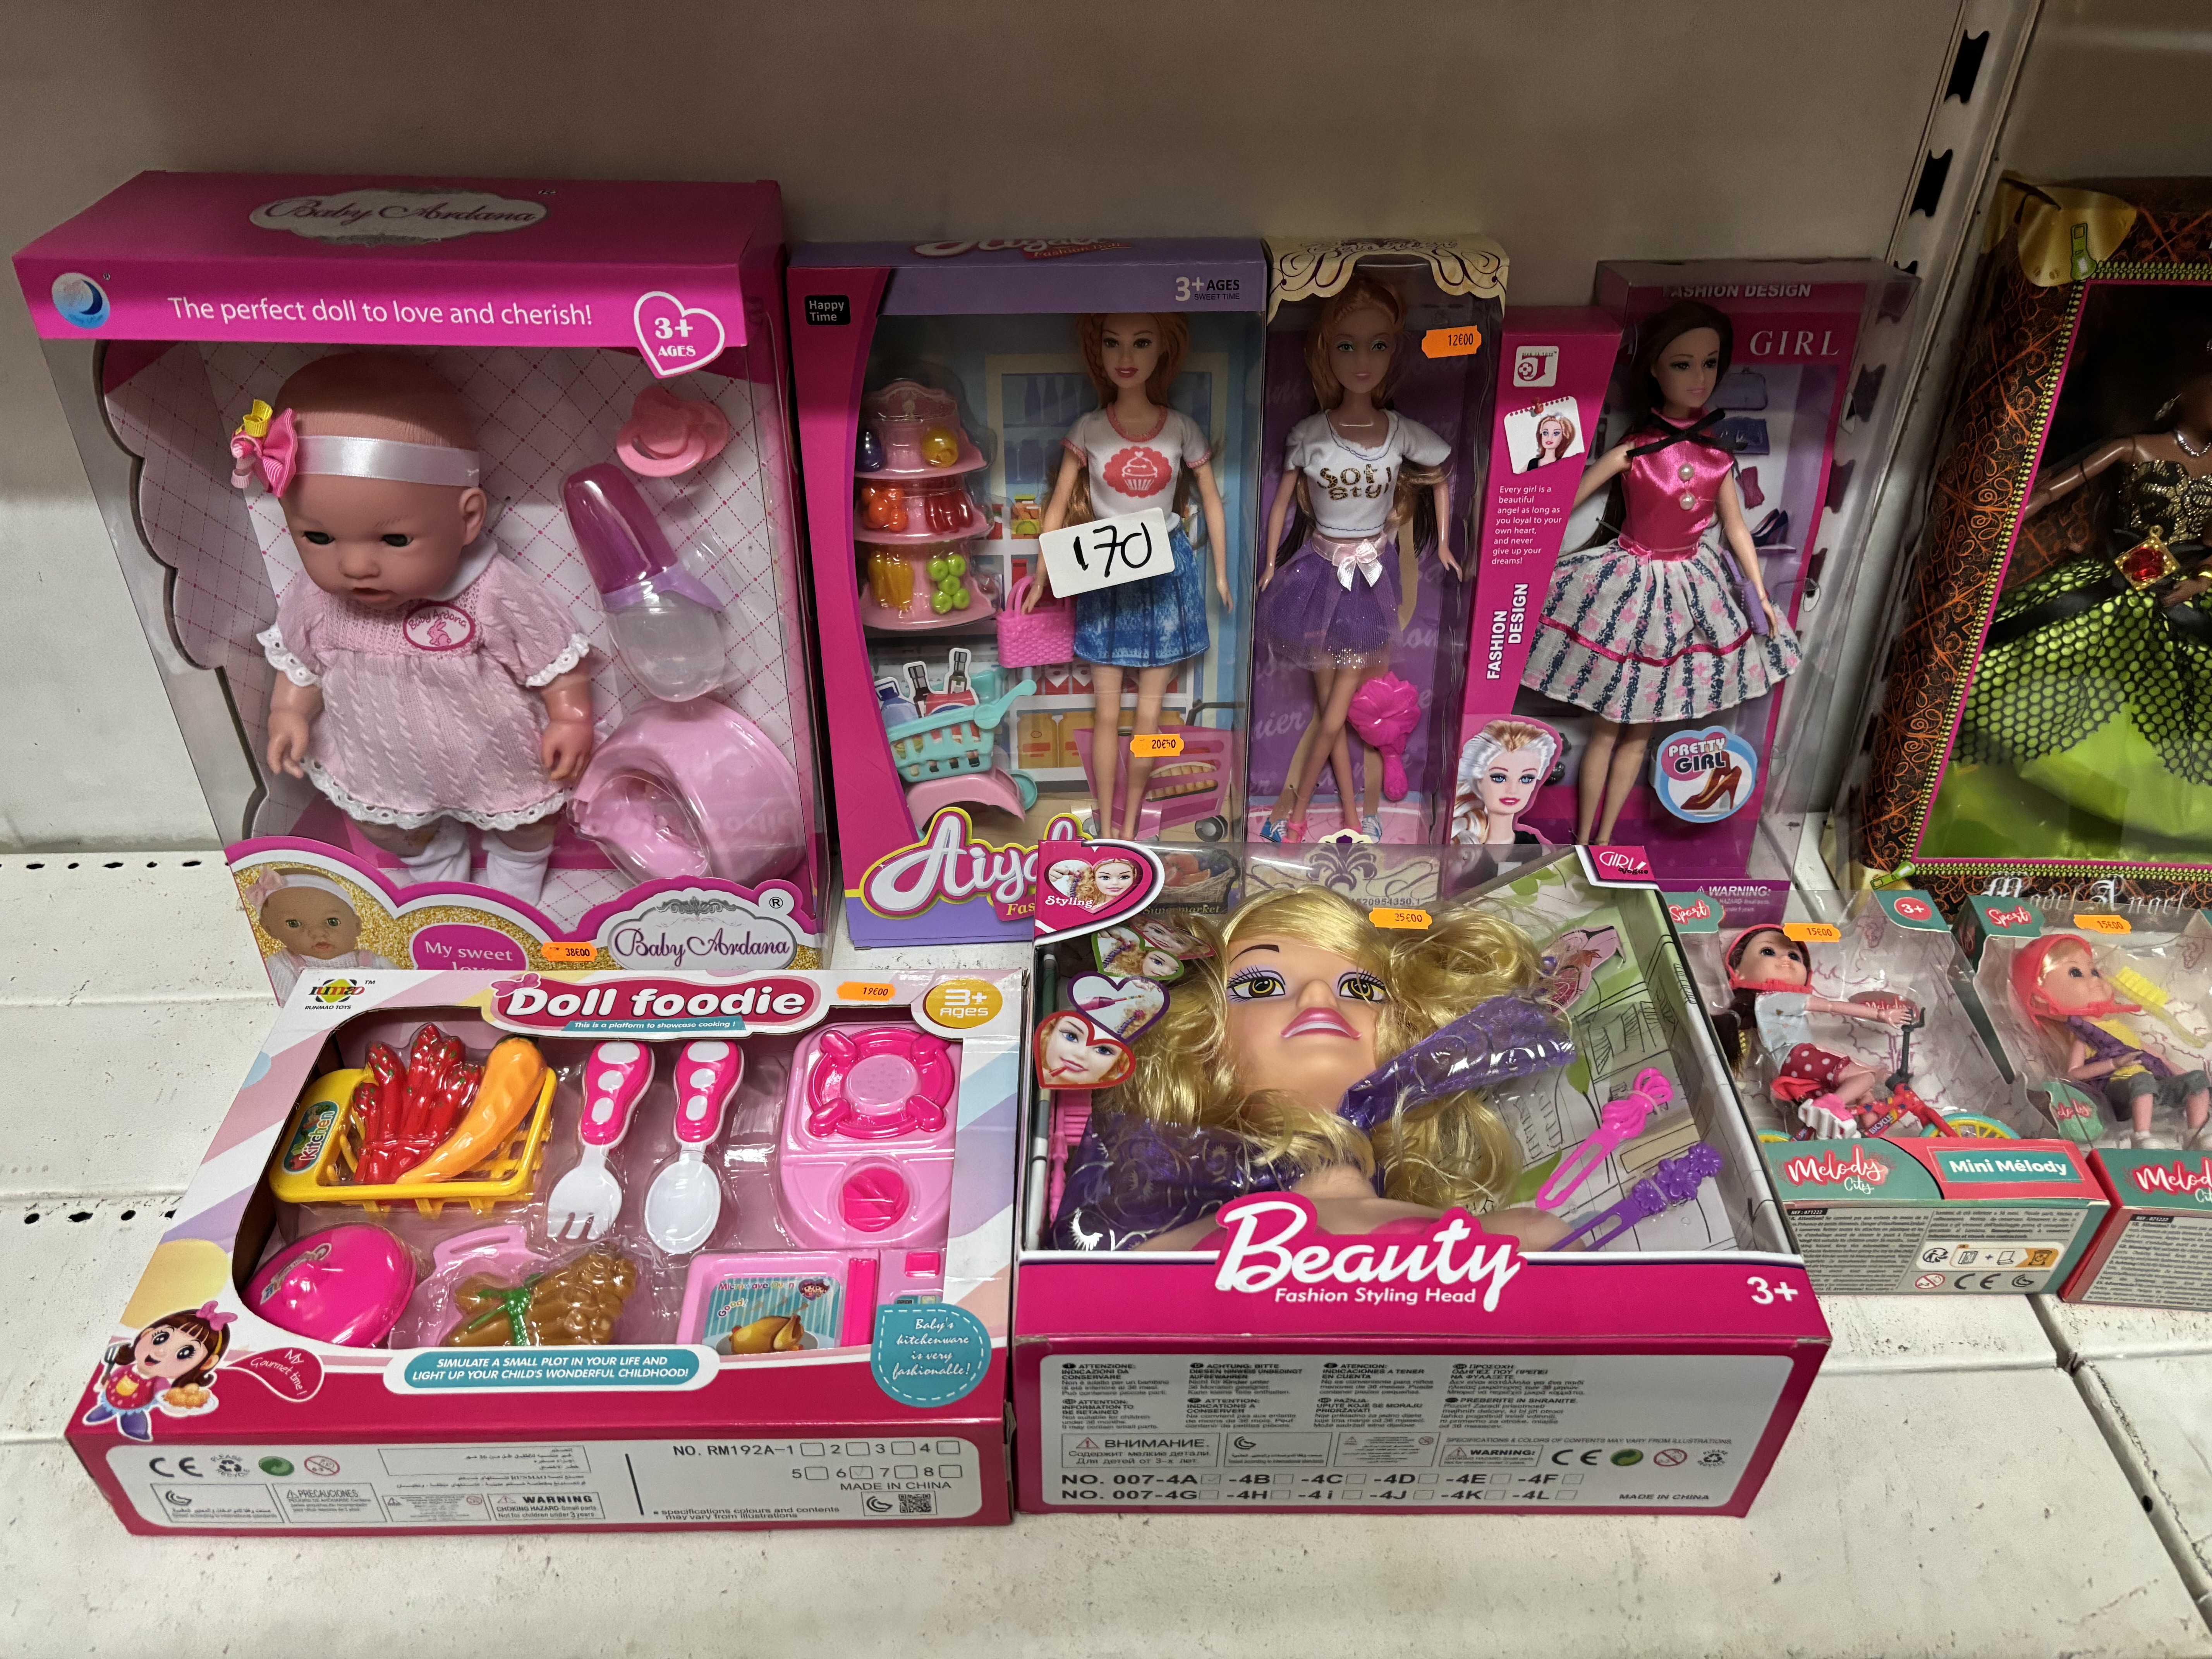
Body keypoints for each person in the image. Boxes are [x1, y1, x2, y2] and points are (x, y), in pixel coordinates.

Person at [238, 353, 594, 904]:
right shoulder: (318, 600)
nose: (355, 566)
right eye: (319, 538)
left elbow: (553, 659)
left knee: (529, 822)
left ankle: (516, 885)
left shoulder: (490, 590)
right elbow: (300, 665)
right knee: (381, 824)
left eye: (395, 540)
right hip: (381, 759)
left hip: (491, 754)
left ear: (467, 518)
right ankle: (437, 869)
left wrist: (570, 716)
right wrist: (288, 711)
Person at [1051, 886, 1573, 1250]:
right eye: (1262, 986)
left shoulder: (1524, 1238)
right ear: (1198, 1040)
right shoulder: (1147, 1250)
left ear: (1413, 1030)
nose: (1320, 997)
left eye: (1362, 988)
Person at [1520, 301, 1799, 844]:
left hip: (1688, 591)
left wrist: (1760, 595)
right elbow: (1563, 501)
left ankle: (1604, 843)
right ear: (1653, 368)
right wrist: (1523, 543)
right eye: (1682, 364)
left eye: (1710, 363)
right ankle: (1584, 841)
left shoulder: (1718, 457)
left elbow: (1737, 528)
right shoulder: (1636, 450)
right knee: (1607, 729)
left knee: (1637, 732)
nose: (1700, 378)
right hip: (1629, 584)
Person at [1259, 274, 1457, 843]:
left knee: (1337, 709)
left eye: (1378, 345)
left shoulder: (1400, 432)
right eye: (1347, 346)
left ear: (1395, 350)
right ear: (1326, 351)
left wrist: (1444, 543)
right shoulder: (1310, 434)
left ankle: (1297, 817)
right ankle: (1350, 815)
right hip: (1317, 576)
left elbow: (1440, 477)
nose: (1363, 361)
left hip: (1369, 582)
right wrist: (1270, 564)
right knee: (1328, 704)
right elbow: (1281, 505)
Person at [1022, 314, 1231, 839]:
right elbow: (1056, 505)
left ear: (1164, 350)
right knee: (1107, 711)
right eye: (1112, 343)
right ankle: (1107, 826)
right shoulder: (1089, 429)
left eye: (1141, 343)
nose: (1126, 356)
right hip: (1106, 571)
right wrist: (1043, 571)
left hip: (1165, 572)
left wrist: (1221, 576)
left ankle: (1134, 824)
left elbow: (1211, 500)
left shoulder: (1180, 428)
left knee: (1148, 718)